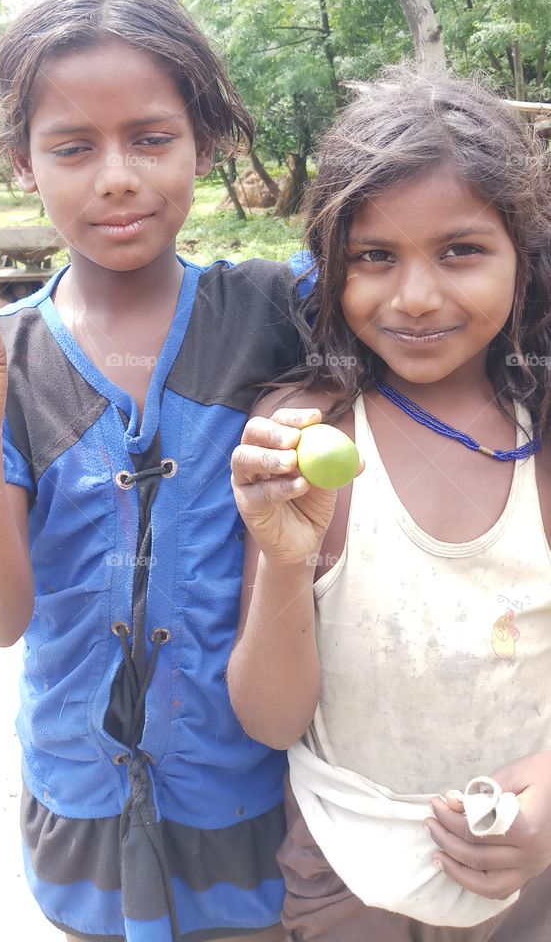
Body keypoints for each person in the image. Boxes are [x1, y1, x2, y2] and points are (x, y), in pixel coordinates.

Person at [0, 0, 310, 942]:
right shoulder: (7, 354)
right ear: (22, 164)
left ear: (206, 139)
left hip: (249, 802)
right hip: (78, 809)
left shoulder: (279, 316)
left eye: (151, 138)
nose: (116, 176)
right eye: (73, 147)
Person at [227, 72, 551, 941]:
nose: (413, 297)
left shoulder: (542, 440)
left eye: (459, 251)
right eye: (374, 256)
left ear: (522, 258)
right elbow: (269, 718)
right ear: (331, 266)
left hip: (532, 879)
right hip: (346, 875)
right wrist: (287, 556)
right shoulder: (302, 435)